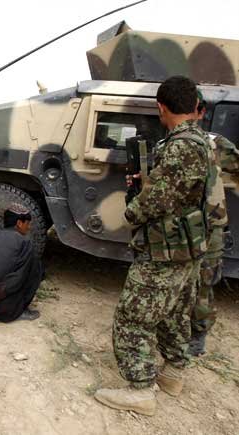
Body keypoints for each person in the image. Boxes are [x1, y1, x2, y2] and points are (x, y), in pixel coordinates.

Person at [94, 76, 213, 416]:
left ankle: (141, 390)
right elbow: (181, 190)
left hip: (164, 248)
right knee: (174, 312)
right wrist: (147, 181)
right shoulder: (202, 141)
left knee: (133, 317)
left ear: (162, 107)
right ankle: (173, 373)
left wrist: (132, 210)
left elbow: (157, 200)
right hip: (188, 246)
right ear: (194, 105)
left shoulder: (180, 146)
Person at [189, 92, 239, 356]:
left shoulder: (215, 144)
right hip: (178, 229)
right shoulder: (168, 144)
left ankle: (198, 335)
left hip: (209, 227)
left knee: (204, 282)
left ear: (201, 113)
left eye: (193, 109)